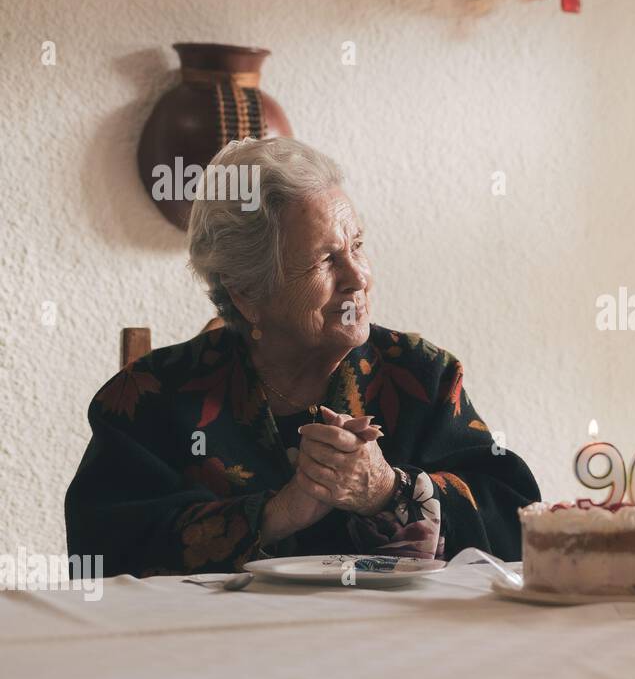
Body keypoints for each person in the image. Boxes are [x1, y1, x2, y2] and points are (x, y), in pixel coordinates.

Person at [66, 136, 540, 576]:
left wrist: (387, 490)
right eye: (326, 260)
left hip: (395, 651)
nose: (358, 278)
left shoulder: (421, 376)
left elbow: (518, 527)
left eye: (357, 246)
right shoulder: (149, 398)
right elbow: (101, 552)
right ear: (249, 291)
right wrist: (275, 514)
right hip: (216, 656)